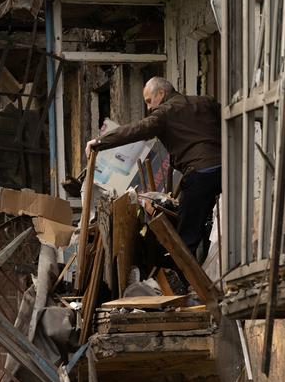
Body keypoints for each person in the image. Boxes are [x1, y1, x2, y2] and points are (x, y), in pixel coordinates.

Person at [85, 77, 221, 260]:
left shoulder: (164, 113)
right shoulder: (205, 102)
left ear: (161, 93)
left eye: (149, 101)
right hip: (227, 169)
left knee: (185, 240)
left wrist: (100, 142)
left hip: (200, 173)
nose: (149, 107)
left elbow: (137, 129)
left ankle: (185, 274)